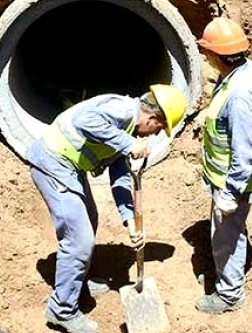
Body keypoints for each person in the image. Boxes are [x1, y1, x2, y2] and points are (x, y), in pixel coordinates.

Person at [29, 85, 188, 333]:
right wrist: (127, 143)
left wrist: (129, 221)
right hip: (53, 163)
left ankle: (76, 283)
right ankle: (62, 310)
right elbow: (84, 119)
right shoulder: (121, 109)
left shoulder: (127, 128)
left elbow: (121, 178)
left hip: (71, 168)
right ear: (152, 118)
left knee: (90, 221)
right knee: (79, 239)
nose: (153, 136)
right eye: (158, 129)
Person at [194, 17, 252, 316]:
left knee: (227, 235)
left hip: (234, 184)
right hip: (228, 180)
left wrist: (230, 193)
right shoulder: (245, 71)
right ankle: (227, 276)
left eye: (206, 52)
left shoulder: (239, 95)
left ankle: (229, 295)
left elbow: (244, 151)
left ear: (215, 55)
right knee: (229, 232)